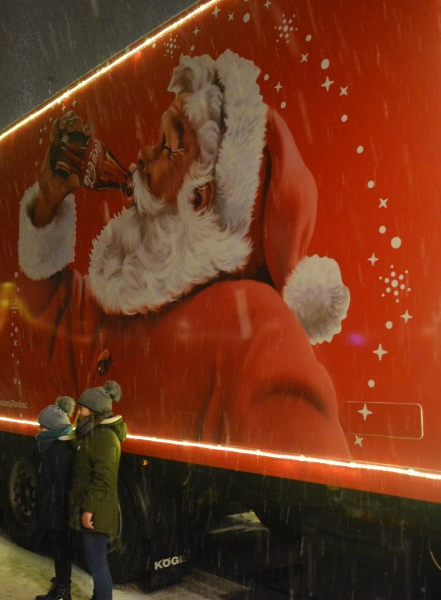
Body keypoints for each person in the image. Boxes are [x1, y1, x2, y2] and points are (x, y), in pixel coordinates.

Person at [18, 50, 351, 457]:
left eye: (166, 146)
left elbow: (306, 461)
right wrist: (47, 208)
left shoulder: (258, 327)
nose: (141, 154)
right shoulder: (131, 300)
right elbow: (53, 322)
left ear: (198, 198)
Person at [69, 381, 126, 600]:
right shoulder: (94, 434)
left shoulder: (104, 438)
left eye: (82, 408)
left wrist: (88, 509)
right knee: (95, 561)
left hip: (97, 512)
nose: (78, 412)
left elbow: (103, 479)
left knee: (97, 563)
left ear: (94, 411)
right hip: (96, 509)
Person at [34, 396, 77, 600]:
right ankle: (61, 588)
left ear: (52, 430)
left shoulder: (58, 452)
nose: (38, 432)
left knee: (61, 550)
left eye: (42, 428)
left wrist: (51, 511)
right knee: (60, 550)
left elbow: (58, 488)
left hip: (58, 512)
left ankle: (61, 591)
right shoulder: (58, 448)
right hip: (58, 510)